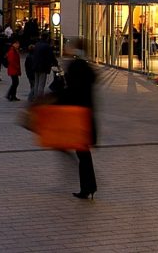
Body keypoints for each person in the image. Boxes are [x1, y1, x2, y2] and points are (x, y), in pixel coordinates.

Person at [58, 40, 98, 200]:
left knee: (83, 154)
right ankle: (89, 186)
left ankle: (87, 187)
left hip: (77, 115)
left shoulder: (76, 67)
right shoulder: (87, 67)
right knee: (84, 153)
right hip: (87, 114)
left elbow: (72, 92)